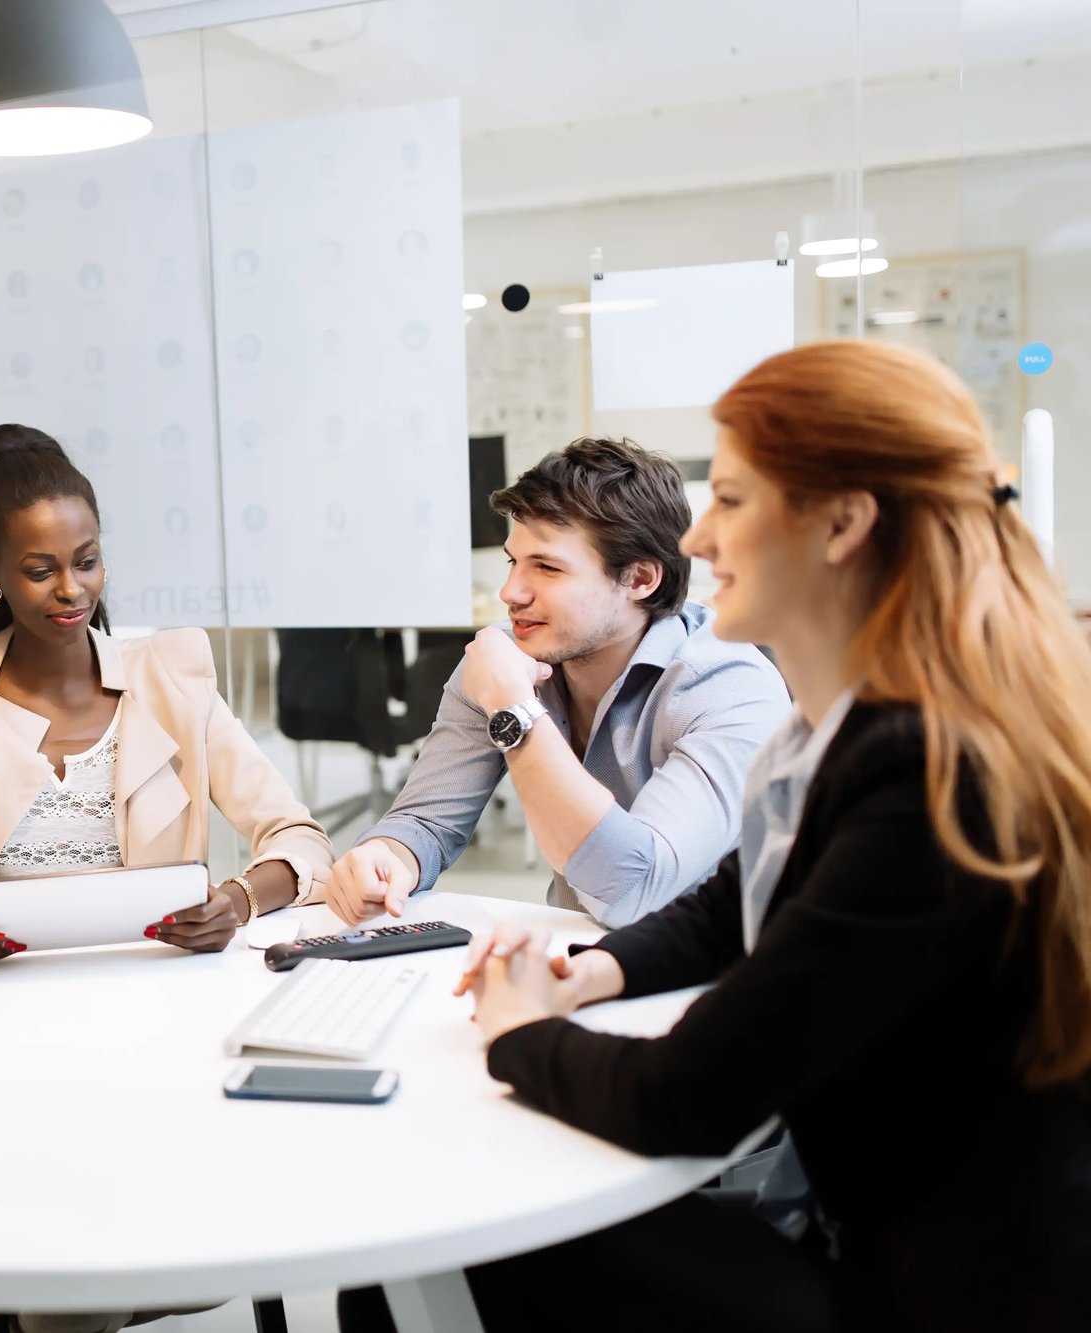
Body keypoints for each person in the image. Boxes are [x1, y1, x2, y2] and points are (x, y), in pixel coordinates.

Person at [437, 341, 1091, 1331]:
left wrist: (519, 1030)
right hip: (894, 1233)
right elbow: (738, 900)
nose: (698, 537)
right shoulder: (865, 718)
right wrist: (590, 974)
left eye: (732, 500)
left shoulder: (928, 770)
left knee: (473, 1229)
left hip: (945, 1293)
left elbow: (685, 1097)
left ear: (840, 524)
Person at [0, 424, 334, 965]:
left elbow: (300, 837)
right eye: (40, 570)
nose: (71, 588)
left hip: (156, 992)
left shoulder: (172, 681)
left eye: (86, 562)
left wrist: (234, 901)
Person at [327, 437, 789, 928]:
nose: (511, 592)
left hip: (719, 975)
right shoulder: (505, 658)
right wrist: (387, 856)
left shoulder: (727, 687)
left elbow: (634, 890)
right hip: (574, 958)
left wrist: (514, 709)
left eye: (546, 567)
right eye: (513, 561)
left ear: (639, 580)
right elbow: (426, 822)